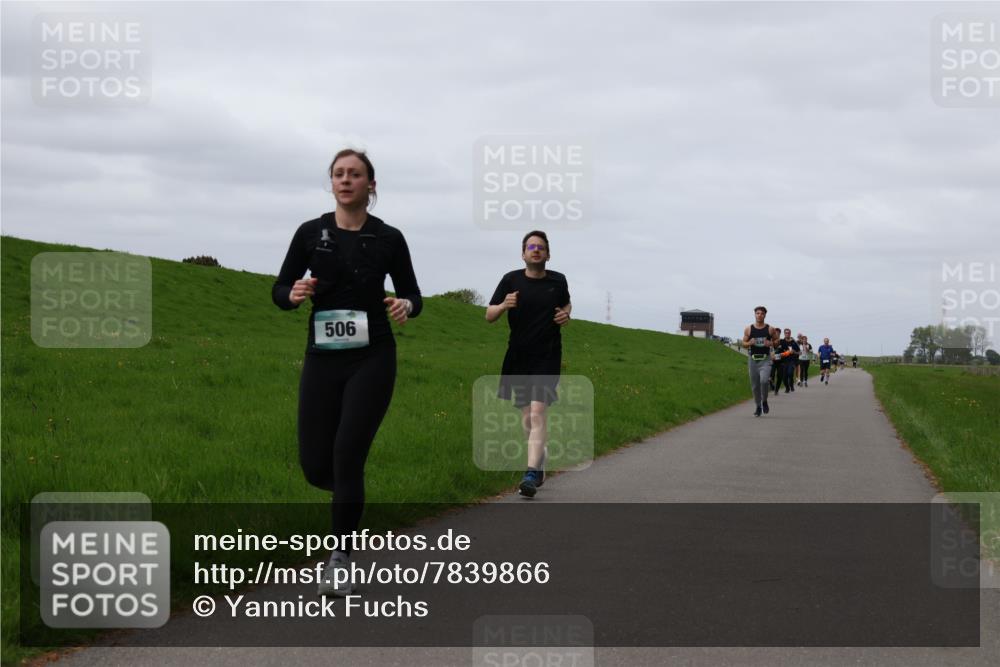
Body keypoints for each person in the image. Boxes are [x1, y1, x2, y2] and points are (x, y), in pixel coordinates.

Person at [272, 149, 423, 596]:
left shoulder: (389, 238)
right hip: (322, 357)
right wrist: (293, 293)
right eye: (338, 174)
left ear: (370, 185)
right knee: (315, 465)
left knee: (347, 454)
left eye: (354, 174)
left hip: (372, 356)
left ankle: (339, 558)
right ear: (331, 183)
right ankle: (348, 498)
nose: (345, 180)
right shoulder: (308, 233)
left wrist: (406, 305)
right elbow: (279, 289)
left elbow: (414, 294)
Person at [486, 231, 571, 498]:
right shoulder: (510, 280)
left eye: (541, 247)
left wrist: (565, 314)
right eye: (531, 246)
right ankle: (540, 460)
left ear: (548, 254)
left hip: (547, 355)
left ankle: (531, 472)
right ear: (523, 253)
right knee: (526, 418)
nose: (536, 250)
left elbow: (566, 303)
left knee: (537, 414)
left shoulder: (558, 281)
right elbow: (489, 315)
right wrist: (503, 305)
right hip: (519, 356)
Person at [742, 306, 779, 417]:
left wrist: (771, 343)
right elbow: (743, 343)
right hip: (753, 359)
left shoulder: (770, 329)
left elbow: (777, 341)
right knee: (755, 386)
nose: (759, 315)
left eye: (762, 313)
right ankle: (758, 406)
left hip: (765, 359)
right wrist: (749, 343)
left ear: (765, 315)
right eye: (757, 313)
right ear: (755, 315)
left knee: (764, 381)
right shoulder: (748, 329)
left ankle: (764, 401)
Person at [776, 329, 800, 393]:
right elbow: (777, 349)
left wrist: (794, 352)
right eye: (786, 333)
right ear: (784, 334)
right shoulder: (781, 341)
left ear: (790, 333)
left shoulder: (794, 342)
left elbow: (799, 352)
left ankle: (791, 385)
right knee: (784, 377)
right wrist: (780, 353)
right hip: (783, 361)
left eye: (788, 333)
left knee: (790, 373)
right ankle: (787, 387)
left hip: (791, 361)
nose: (787, 334)